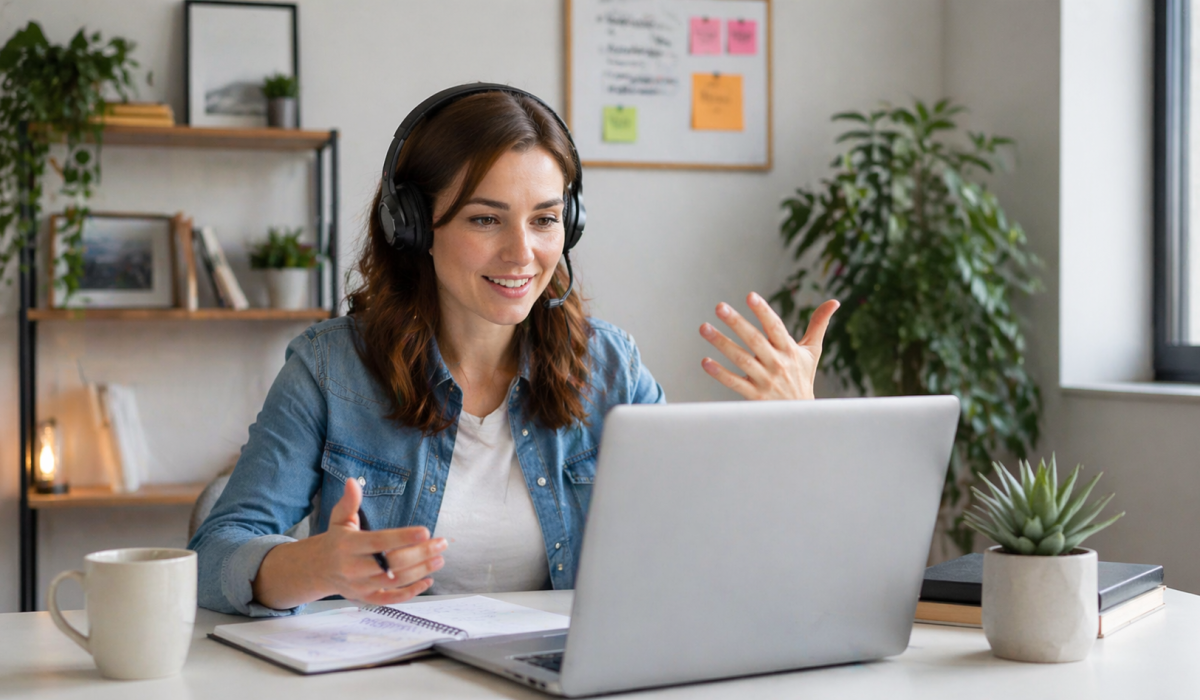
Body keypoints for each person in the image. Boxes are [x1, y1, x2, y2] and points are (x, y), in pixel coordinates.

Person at [189, 85, 839, 616]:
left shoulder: (609, 367)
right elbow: (214, 556)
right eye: (484, 218)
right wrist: (309, 565)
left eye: (544, 218)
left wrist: (794, 430)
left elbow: (703, 544)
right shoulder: (330, 369)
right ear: (413, 226)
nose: (521, 253)